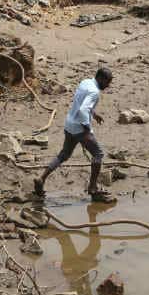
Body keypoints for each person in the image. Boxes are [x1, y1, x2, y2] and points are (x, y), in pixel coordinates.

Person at [35, 67, 116, 203]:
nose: (108, 85)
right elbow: (84, 109)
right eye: (107, 82)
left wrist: (94, 114)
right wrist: (86, 129)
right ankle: (92, 188)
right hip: (79, 128)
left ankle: (41, 178)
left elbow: (80, 103)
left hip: (69, 124)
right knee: (98, 155)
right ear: (101, 79)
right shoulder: (95, 92)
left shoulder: (85, 82)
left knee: (64, 154)